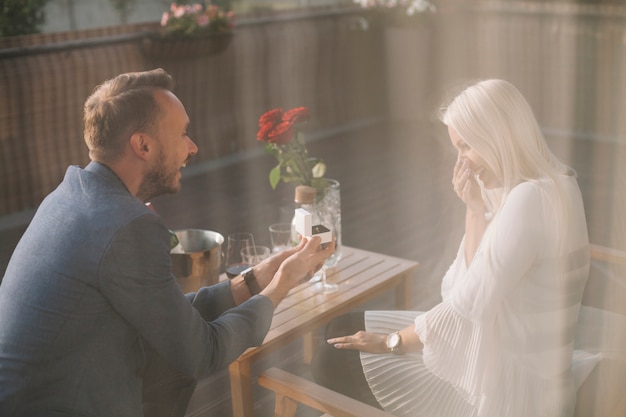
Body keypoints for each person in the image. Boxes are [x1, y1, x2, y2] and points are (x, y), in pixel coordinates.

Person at [0, 68, 334, 417]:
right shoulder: (126, 225)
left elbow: (172, 320)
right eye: (183, 134)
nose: (193, 147)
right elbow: (203, 353)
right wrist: (282, 285)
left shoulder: (72, 195)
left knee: (170, 364)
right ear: (143, 145)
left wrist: (255, 279)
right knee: (179, 366)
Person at [312, 79, 597, 417]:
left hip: (511, 389)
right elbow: (467, 289)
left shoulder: (529, 199)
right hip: (504, 349)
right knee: (341, 326)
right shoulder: (561, 181)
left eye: (466, 147)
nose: (463, 162)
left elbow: (468, 304)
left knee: (332, 359)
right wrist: (475, 211)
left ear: (497, 139)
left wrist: (392, 343)